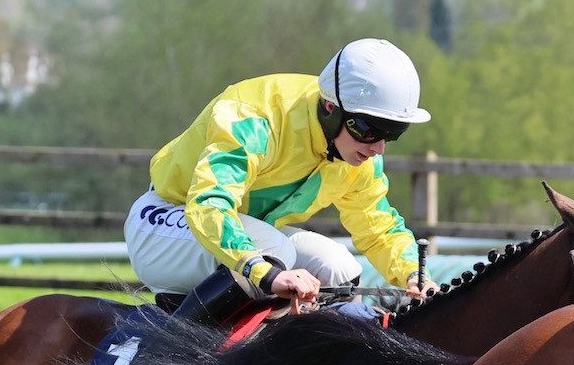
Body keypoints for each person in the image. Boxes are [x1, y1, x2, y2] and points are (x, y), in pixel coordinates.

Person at [124, 37, 438, 323]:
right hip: (165, 219)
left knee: (338, 268)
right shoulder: (254, 117)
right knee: (275, 255)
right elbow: (210, 205)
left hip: (241, 230)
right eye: (370, 129)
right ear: (330, 109)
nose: (378, 146)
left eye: (393, 133)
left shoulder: (359, 156)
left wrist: (412, 274)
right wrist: (265, 272)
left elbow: (380, 228)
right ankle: (166, 360)